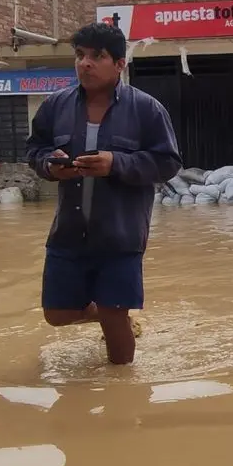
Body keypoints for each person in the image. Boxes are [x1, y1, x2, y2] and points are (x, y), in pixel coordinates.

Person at [25, 22, 182, 365]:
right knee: (56, 313)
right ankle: (109, 313)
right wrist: (49, 166)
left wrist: (117, 163)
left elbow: (168, 162)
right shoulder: (56, 106)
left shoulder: (146, 109)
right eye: (80, 55)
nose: (85, 64)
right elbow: (34, 149)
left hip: (120, 236)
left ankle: (122, 397)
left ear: (120, 64)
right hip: (68, 234)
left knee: (115, 320)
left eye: (97, 56)